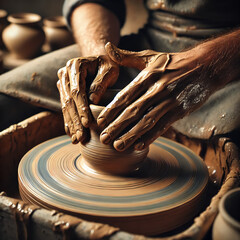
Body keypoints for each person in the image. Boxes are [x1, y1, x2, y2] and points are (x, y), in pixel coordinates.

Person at [57, 0, 240, 151]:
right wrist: (99, 53)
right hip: (148, 46)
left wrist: (209, 66)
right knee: (40, 84)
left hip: (229, 59)